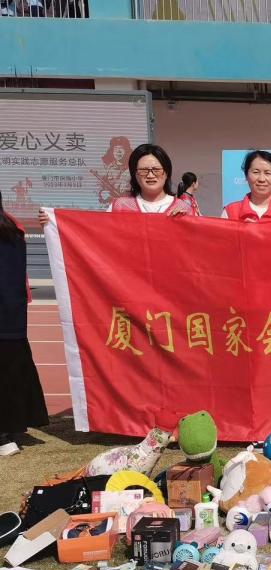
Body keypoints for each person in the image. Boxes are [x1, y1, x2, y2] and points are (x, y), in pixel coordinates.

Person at [38, 143, 193, 226]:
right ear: (134, 174)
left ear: (166, 172)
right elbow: (94, 232)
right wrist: (54, 222)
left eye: (156, 170)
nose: (150, 175)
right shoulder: (119, 207)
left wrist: (186, 222)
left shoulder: (184, 208)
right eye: (143, 170)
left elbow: (197, 246)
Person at [0, 192, 48, 456]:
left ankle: (4, 434)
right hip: (10, 318)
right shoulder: (13, 227)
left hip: (7, 318)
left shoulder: (10, 230)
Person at [221, 150, 271, 222]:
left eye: (267, 173)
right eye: (256, 172)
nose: (261, 179)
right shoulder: (230, 212)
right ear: (246, 176)